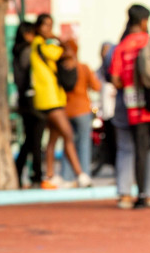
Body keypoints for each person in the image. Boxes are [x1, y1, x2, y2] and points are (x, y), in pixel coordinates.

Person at [109, 4, 150, 207]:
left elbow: (115, 79)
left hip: (136, 109)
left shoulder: (121, 47)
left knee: (141, 150)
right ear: (145, 21)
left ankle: (140, 195)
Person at [29, 14, 93, 188]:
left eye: (51, 25)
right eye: (45, 26)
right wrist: (58, 39)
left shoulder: (42, 45)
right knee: (68, 134)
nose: (48, 29)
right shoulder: (40, 45)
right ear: (38, 27)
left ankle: (50, 175)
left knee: (53, 139)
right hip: (49, 99)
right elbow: (64, 53)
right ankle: (80, 174)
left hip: (54, 97)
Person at [60, 37, 101, 181]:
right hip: (82, 110)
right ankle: (84, 176)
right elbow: (97, 86)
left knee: (67, 143)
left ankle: (66, 176)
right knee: (84, 143)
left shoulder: (60, 67)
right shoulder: (83, 67)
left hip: (65, 110)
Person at [13, 23, 45, 188]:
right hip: (34, 99)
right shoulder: (29, 51)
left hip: (24, 100)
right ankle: (37, 175)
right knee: (35, 140)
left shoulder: (17, 50)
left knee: (30, 140)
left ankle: (19, 172)